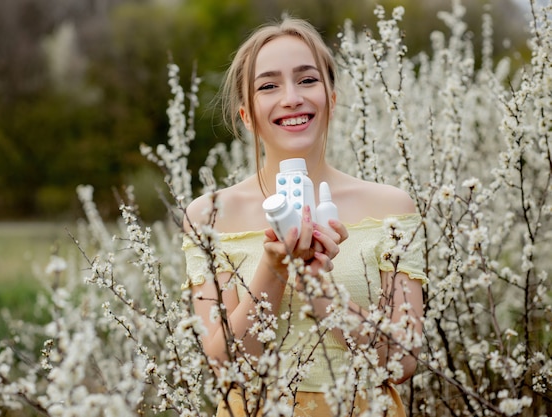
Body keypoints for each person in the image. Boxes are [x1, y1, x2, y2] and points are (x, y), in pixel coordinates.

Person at [182, 16, 426, 417]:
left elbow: (401, 362)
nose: (292, 97)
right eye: (268, 86)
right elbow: (227, 363)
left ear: (332, 97)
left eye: (307, 80)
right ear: (246, 114)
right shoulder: (209, 215)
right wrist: (275, 269)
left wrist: (319, 285)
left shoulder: (391, 209)